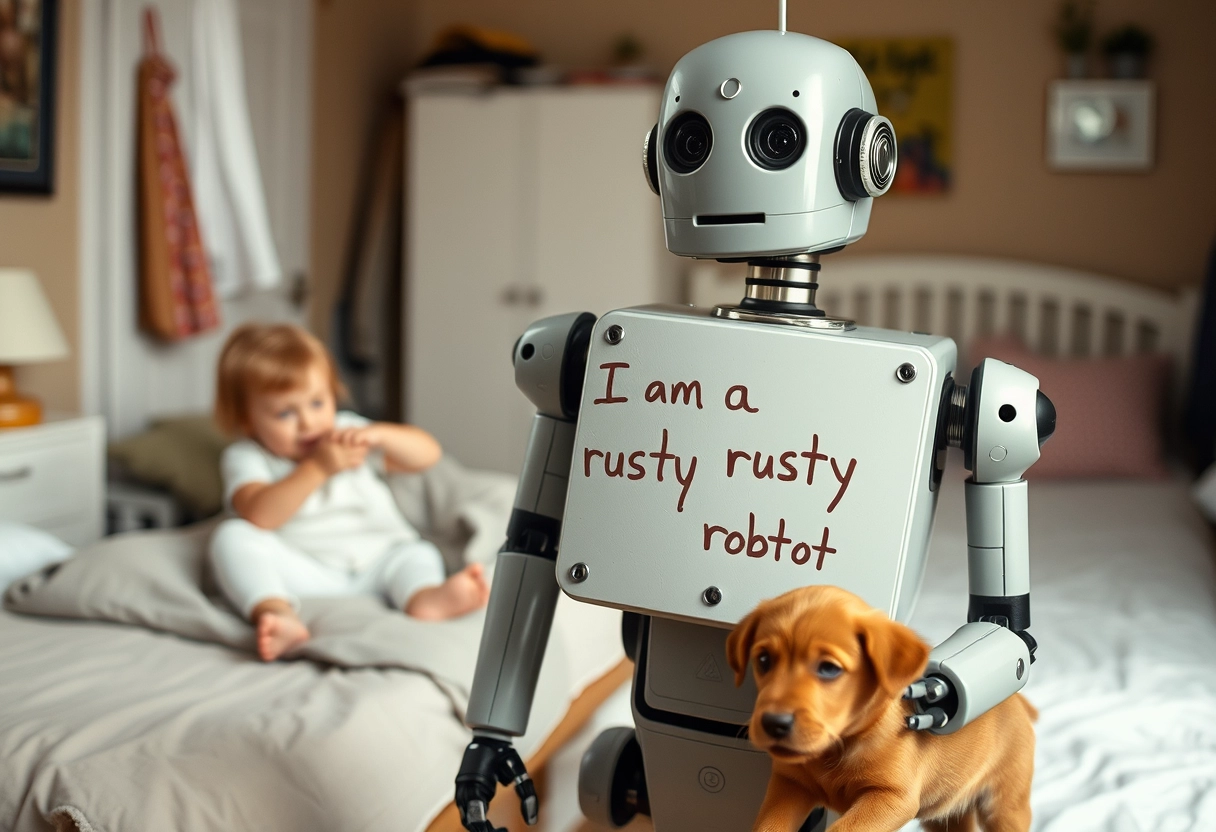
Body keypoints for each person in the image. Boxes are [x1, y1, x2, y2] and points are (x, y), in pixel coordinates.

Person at [209, 323, 489, 661]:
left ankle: (424, 597)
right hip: (308, 570)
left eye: (316, 403)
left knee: (417, 554)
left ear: (333, 394)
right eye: (285, 413)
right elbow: (259, 514)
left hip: (380, 559)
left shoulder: (346, 431)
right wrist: (318, 468)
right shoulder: (248, 456)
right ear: (247, 421)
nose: (308, 423)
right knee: (232, 536)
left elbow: (428, 456)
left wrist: (381, 435)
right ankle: (277, 614)